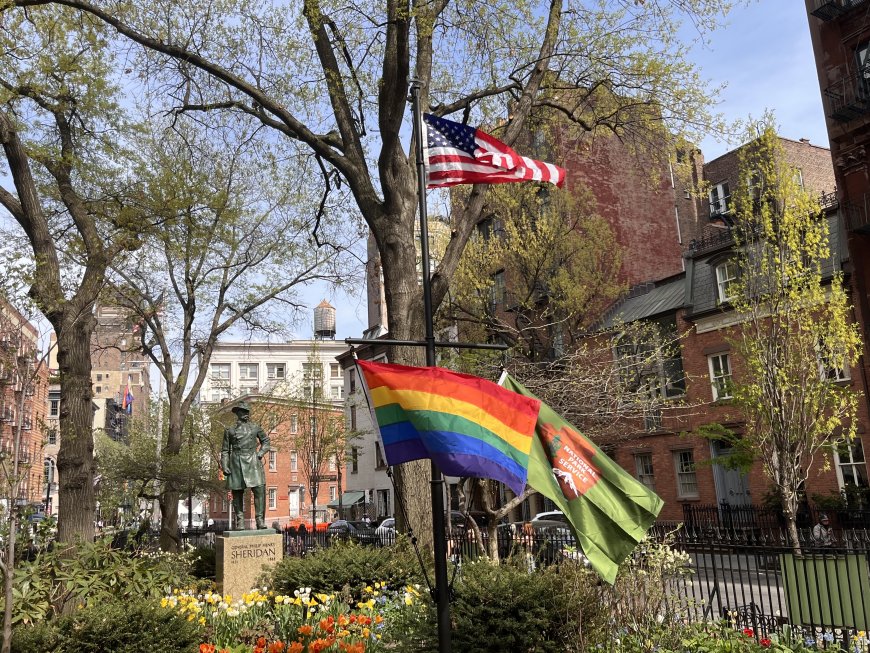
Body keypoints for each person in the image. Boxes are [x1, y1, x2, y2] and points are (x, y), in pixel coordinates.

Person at [221, 401, 271, 530]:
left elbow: (266, 441)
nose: (246, 414)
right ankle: (240, 520)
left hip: (253, 461)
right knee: (237, 492)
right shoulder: (230, 430)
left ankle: (260, 519)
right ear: (238, 413)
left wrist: (260, 453)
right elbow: (225, 450)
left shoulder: (255, 427)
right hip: (236, 462)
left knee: (259, 489)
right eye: (243, 411)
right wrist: (224, 465)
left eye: (247, 411)